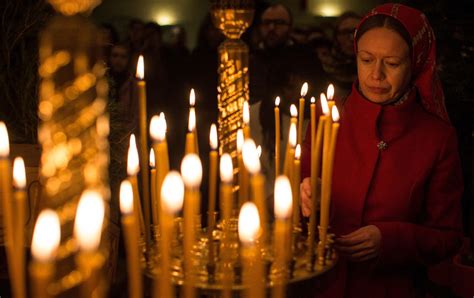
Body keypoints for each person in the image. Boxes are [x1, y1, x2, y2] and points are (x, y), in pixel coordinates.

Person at [300, 4, 463, 297]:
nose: (376, 74)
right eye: (366, 59)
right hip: (321, 284)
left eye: (392, 63)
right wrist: (305, 195)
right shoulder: (325, 120)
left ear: (415, 64)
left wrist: (390, 240)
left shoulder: (437, 138)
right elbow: (291, 213)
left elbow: (448, 236)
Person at [320, 12, 361, 98]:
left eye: (356, 32)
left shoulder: (372, 68)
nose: (351, 38)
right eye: (345, 32)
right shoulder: (323, 64)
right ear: (336, 35)